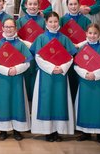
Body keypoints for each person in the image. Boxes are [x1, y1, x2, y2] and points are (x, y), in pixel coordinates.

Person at [30, 12, 77, 142]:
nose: (53, 24)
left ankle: (58, 130)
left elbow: (70, 57)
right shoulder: (41, 38)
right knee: (46, 100)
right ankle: (47, 131)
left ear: (59, 23)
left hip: (61, 74)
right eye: (50, 22)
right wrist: (51, 68)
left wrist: (61, 68)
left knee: (59, 100)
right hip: (45, 74)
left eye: (55, 21)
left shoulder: (64, 38)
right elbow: (38, 57)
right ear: (46, 23)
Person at [0, 19, 32, 141]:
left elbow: (27, 63)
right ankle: (3, 129)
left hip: (17, 78)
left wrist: (16, 69)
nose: (9, 29)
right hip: (3, 78)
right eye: (6, 27)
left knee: (17, 101)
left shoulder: (20, 44)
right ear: (2, 28)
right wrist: (7, 71)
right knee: (3, 101)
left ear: (16, 28)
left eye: (11, 27)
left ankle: (17, 129)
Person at [74, 24, 100, 144]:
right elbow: (76, 65)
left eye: (95, 33)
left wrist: (95, 75)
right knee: (85, 105)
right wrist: (85, 74)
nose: (92, 36)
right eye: (90, 33)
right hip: (85, 82)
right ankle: (85, 132)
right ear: (86, 34)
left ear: (99, 34)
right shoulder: (82, 49)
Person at [16, 0, 45, 101]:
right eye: (30, 4)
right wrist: (27, 43)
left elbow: (45, 37)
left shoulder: (43, 21)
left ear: (38, 6)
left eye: (35, 4)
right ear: (25, 6)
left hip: (39, 52)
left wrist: (35, 45)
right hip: (24, 52)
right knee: (26, 74)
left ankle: (36, 99)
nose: (32, 6)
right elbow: (17, 37)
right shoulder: (20, 21)